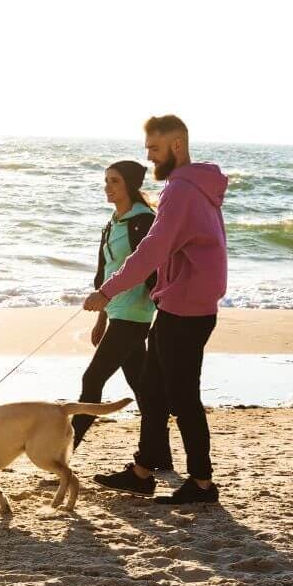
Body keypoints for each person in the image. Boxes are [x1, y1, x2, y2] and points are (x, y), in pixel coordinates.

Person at [82, 115, 229, 505]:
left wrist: (107, 292)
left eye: (154, 149)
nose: (149, 158)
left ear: (176, 146)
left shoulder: (182, 190)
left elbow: (151, 249)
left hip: (186, 306)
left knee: (182, 397)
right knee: (152, 388)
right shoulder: (198, 187)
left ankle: (201, 483)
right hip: (182, 301)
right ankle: (143, 472)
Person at [72, 161, 162, 451]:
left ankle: (66, 450)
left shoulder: (145, 221)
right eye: (106, 180)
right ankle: (159, 454)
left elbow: (150, 269)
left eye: (115, 181)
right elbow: (104, 272)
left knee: (92, 378)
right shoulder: (111, 223)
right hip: (116, 312)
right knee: (142, 387)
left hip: (136, 313)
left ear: (131, 185)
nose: (107, 187)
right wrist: (101, 319)